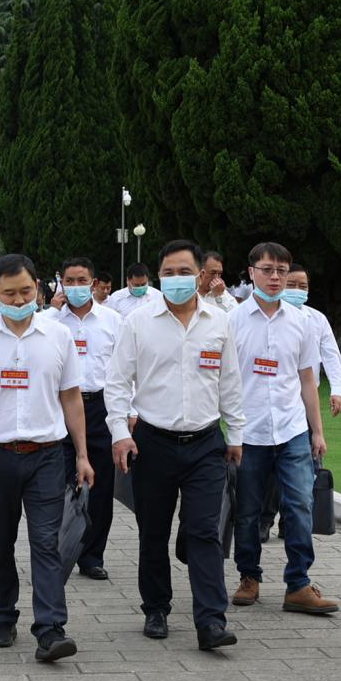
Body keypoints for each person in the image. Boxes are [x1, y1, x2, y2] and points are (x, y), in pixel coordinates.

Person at [0, 254, 95, 663]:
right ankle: (2, 616)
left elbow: (71, 397)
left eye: (26, 292)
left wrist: (82, 454)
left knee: (46, 543)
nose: (18, 301)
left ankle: (50, 629)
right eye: (9, 293)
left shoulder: (58, 336)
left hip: (47, 456)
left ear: (40, 289)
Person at [106, 240, 245, 650]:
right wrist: (120, 433)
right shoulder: (138, 323)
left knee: (204, 531)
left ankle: (211, 621)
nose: (176, 279)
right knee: (153, 531)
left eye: (184, 272)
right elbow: (117, 383)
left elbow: (230, 382)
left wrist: (236, 435)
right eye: (168, 273)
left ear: (200, 274)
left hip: (205, 443)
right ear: (158, 277)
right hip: (153, 442)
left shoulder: (219, 323)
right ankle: (156, 608)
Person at [229, 242, 339, 614]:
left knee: (300, 505)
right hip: (249, 431)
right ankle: (249, 575)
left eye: (281, 271)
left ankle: (299, 583)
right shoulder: (233, 321)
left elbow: (308, 379)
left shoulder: (302, 322)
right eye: (267, 269)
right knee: (248, 510)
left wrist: (317, 431)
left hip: (292, 430)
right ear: (251, 273)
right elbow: (222, 379)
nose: (275, 277)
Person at [45, 257, 123, 580]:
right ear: (60, 283)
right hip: (60, 407)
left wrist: (128, 413)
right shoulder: (49, 321)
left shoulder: (112, 320)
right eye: (70, 281)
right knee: (60, 484)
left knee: (100, 486)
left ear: (94, 283)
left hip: (101, 407)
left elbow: (124, 368)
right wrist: (52, 311)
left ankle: (92, 555)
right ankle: (57, 551)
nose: (76, 286)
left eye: (82, 280)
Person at [259, 262, 341, 541]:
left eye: (303, 286)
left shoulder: (315, 319)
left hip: (304, 406)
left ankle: (293, 522)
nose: (297, 290)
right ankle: (264, 519)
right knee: (272, 470)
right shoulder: (264, 319)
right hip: (273, 405)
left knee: (306, 467)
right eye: (292, 284)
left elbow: (330, 354)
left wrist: (337, 390)